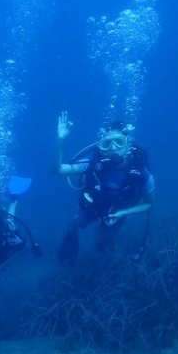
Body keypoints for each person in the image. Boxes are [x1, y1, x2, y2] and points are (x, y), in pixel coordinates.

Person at [52, 112, 155, 265]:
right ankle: (72, 234)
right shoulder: (92, 164)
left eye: (119, 142)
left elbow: (149, 204)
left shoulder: (141, 174)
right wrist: (60, 140)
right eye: (107, 143)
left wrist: (124, 212)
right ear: (102, 149)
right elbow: (58, 170)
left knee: (99, 246)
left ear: (128, 145)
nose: (113, 148)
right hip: (92, 208)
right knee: (77, 223)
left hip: (118, 213)